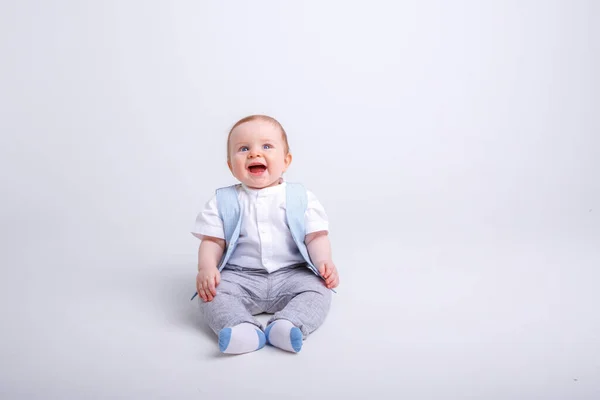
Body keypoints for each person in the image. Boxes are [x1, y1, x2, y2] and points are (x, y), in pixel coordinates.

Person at [191, 115, 339, 354]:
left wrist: (324, 262)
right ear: (231, 165)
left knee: (318, 289)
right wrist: (206, 268)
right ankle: (240, 328)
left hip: (291, 274)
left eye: (267, 146)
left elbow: (316, 236)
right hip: (239, 277)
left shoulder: (301, 197)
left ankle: (288, 324)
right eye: (243, 148)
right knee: (210, 293)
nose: (254, 154)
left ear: (286, 160)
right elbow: (213, 241)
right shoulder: (222, 201)